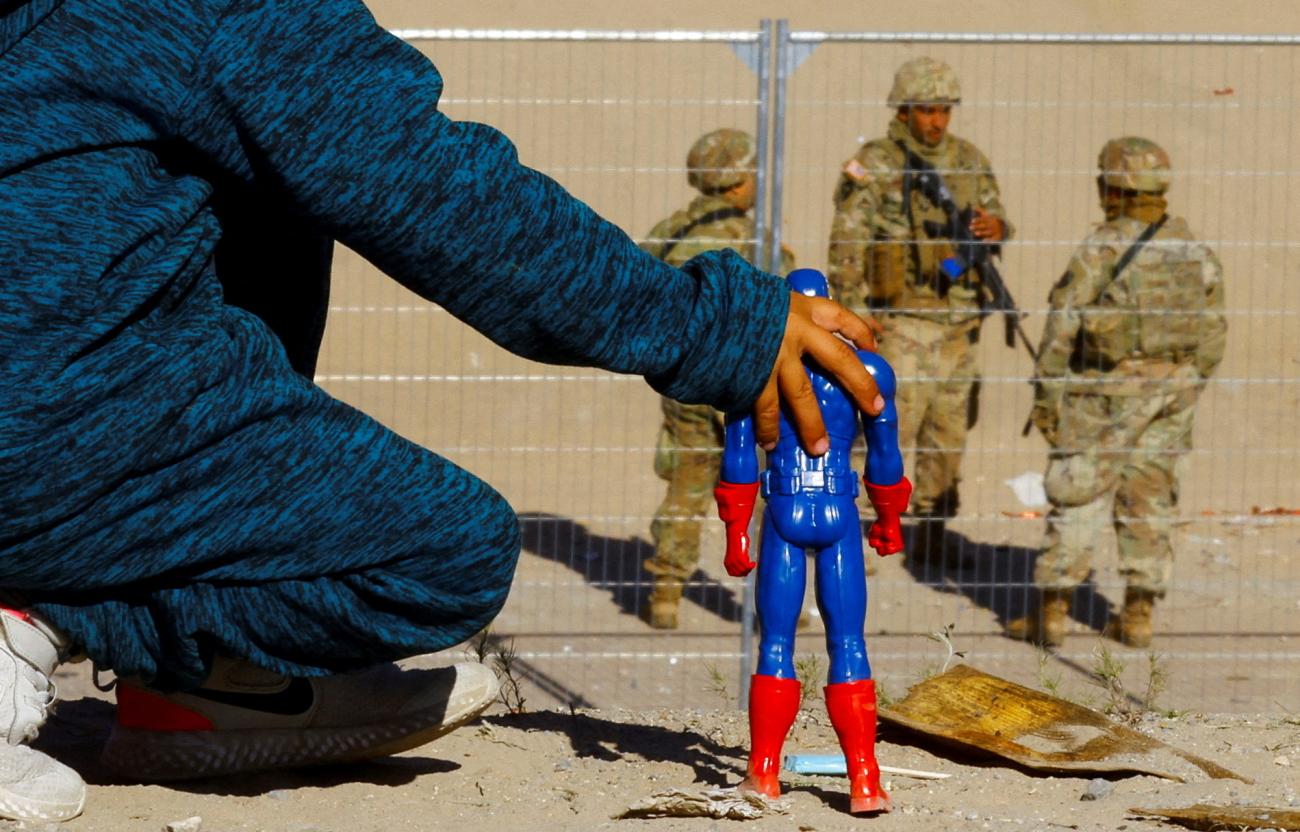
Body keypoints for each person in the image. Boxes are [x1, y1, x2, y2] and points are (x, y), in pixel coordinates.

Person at [0, 0, 884, 821]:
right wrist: (719, 331)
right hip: (48, 422)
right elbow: (440, 197)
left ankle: (207, 685)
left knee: (262, 181)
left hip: (61, 391)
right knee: (447, 552)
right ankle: (41, 619)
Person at [1007, 137, 1227, 648]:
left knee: (1079, 491)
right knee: (1150, 495)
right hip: (1172, 393)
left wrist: (1047, 395)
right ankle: (1138, 615)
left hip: (1102, 393)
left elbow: (1062, 327)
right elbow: (1214, 332)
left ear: (1113, 187)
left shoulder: (1102, 249)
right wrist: (1184, 384)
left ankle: (1053, 614)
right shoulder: (1194, 250)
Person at [715, 269, 911, 815]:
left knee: (776, 643)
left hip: (782, 507)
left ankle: (764, 772)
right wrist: (890, 521)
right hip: (838, 507)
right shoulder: (869, 369)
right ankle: (865, 781)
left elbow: (737, 460)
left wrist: (735, 534)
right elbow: (886, 459)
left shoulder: (754, 367)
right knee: (848, 643)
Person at [826, 56, 1013, 567]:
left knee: (947, 441)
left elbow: (995, 220)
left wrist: (996, 229)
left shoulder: (969, 161)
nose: (937, 121)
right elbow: (847, 246)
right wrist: (858, 317)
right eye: (926, 110)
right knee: (887, 433)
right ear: (904, 110)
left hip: (957, 326)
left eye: (944, 110)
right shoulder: (876, 165)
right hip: (901, 323)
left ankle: (931, 535)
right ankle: (857, 534)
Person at [639, 128, 794, 630]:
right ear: (734, 183)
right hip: (743, 381)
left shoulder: (670, 231)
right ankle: (773, 595)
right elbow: (784, 302)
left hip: (684, 380)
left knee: (688, 485)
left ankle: (666, 592)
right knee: (764, 486)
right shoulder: (756, 241)